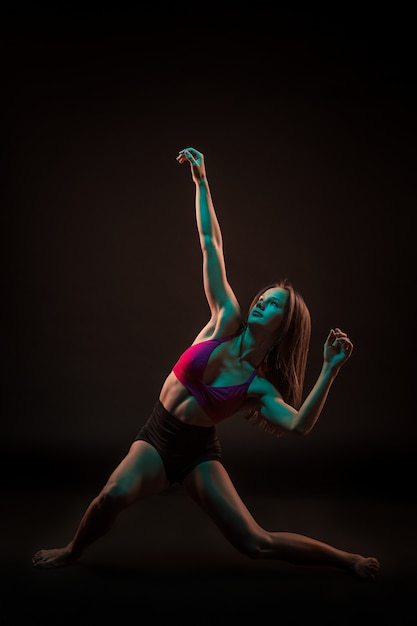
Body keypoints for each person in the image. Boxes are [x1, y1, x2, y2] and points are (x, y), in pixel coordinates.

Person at [32, 147, 380, 580]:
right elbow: (210, 243)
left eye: (273, 305)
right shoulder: (224, 320)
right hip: (158, 436)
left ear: (284, 326)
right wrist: (201, 182)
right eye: (264, 296)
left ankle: (347, 560)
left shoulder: (258, 387)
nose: (261, 302)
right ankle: (71, 550)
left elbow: (298, 426)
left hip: (197, 454)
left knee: (256, 542)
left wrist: (329, 369)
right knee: (111, 496)